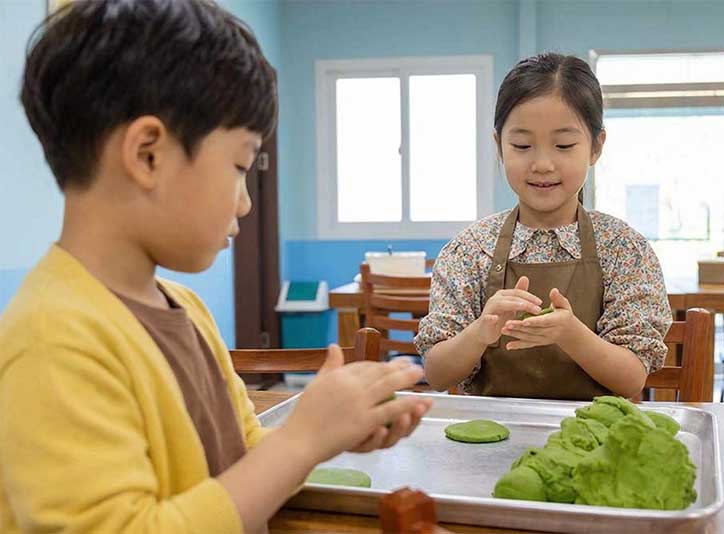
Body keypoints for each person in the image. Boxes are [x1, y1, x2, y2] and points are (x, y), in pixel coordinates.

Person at [0, 1, 431, 532]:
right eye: (238, 166)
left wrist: (327, 432)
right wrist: (302, 441)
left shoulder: (188, 310)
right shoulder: (53, 340)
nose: (245, 202)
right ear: (148, 155)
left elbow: (242, 463)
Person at [416, 53, 672, 400]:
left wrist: (571, 334)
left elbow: (630, 380)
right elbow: (436, 373)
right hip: (491, 442)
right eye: (521, 145)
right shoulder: (470, 249)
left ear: (596, 147)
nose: (542, 164)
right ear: (499, 147)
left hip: (593, 440)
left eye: (564, 145)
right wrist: (480, 332)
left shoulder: (624, 250)